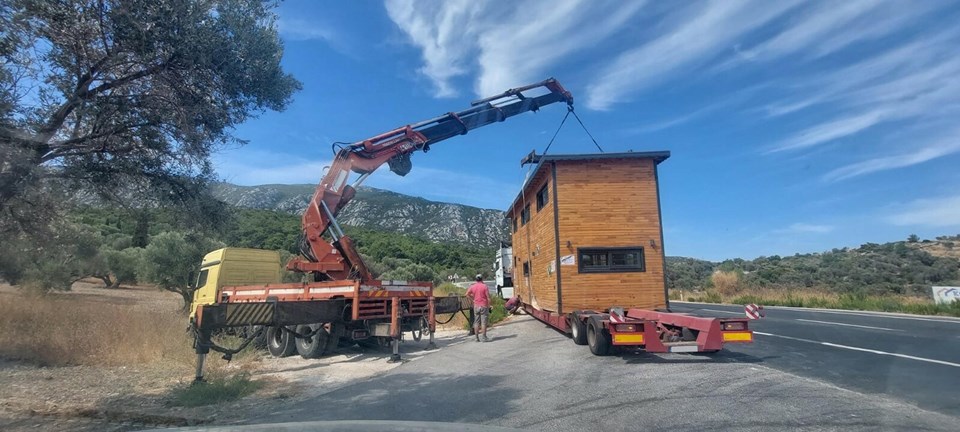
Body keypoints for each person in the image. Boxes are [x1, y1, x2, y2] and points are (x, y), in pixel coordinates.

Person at [465, 274, 490, 342]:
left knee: (476, 322)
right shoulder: (484, 286)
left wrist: (472, 299)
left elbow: (467, 294)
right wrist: (489, 305)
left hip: (476, 306)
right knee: (483, 322)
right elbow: (488, 297)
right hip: (484, 305)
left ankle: (476, 338)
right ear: (482, 279)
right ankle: (484, 337)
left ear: (476, 279)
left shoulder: (473, 286)